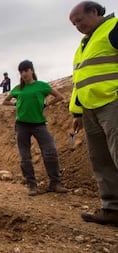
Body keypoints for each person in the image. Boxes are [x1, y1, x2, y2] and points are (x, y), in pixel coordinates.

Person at [69, 1, 118, 225]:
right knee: (101, 159)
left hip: (112, 102)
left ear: (95, 12)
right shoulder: (84, 43)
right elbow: (81, 79)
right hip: (89, 109)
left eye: (80, 20)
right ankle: (112, 208)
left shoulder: (113, 28)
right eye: (73, 23)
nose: (77, 26)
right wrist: (77, 112)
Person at [2, 60, 68, 196]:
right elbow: (5, 101)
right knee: (25, 156)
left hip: (39, 124)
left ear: (32, 70)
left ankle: (55, 183)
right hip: (22, 125)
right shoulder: (18, 88)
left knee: (50, 152)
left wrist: (47, 104)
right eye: (21, 72)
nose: (24, 74)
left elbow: (59, 96)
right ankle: (32, 186)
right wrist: (17, 105)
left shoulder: (42, 86)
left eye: (26, 70)